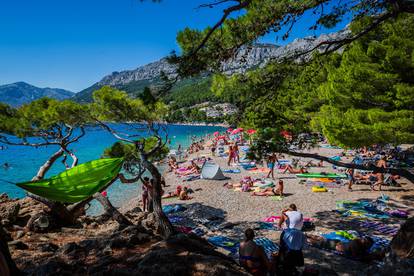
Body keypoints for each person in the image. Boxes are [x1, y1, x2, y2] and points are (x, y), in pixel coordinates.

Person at [306, 234, 380, 261]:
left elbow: (361, 253)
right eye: (369, 245)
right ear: (365, 243)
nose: (369, 247)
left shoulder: (358, 242)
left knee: (321, 239)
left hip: (337, 242)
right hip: (335, 245)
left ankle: (307, 234)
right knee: (317, 242)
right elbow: (356, 255)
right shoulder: (355, 244)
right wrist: (370, 256)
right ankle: (305, 238)